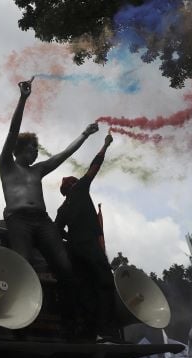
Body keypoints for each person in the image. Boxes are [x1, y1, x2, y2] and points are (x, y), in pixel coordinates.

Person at [0, 77, 99, 335]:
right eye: (32, 148)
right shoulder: (7, 166)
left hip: (42, 220)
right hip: (18, 219)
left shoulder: (38, 170)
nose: (36, 152)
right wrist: (23, 98)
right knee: (23, 263)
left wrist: (85, 135)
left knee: (64, 267)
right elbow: (12, 131)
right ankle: (17, 321)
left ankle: (73, 321)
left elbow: (63, 154)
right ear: (20, 149)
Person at [55, 132, 117, 342]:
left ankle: (86, 333)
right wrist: (105, 145)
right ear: (73, 185)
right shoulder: (80, 189)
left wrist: (70, 238)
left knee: (84, 290)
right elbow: (95, 166)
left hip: (73, 251)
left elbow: (55, 232)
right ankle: (106, 331)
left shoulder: (62, 209)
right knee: (104, 283)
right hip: (90, 246)